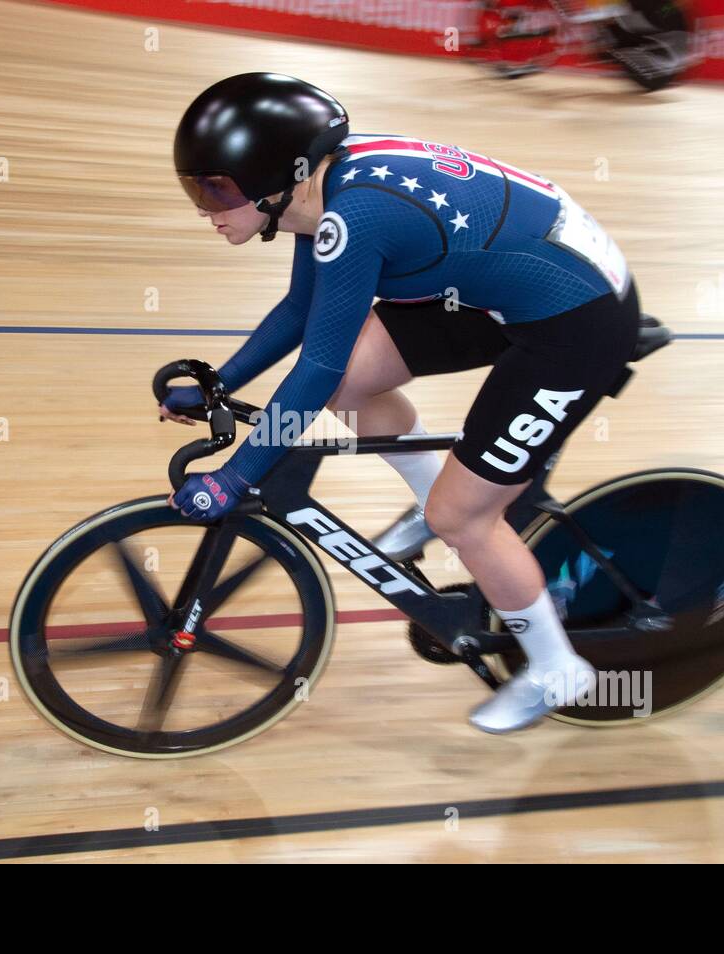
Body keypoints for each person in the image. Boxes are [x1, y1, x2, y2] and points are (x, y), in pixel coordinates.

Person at [163, 73, 640, 733]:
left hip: (576, 319)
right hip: (508, 285)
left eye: (217, 188)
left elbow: (316, 363)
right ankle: (428, 499)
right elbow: (303, 310)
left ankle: (559, 670)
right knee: (355, 378)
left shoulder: (356, 214)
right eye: (195, 188)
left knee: (462, 517)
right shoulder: (319, 190)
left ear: (281, 177)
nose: (205, 208)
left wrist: (236, 477)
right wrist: (221, 382)